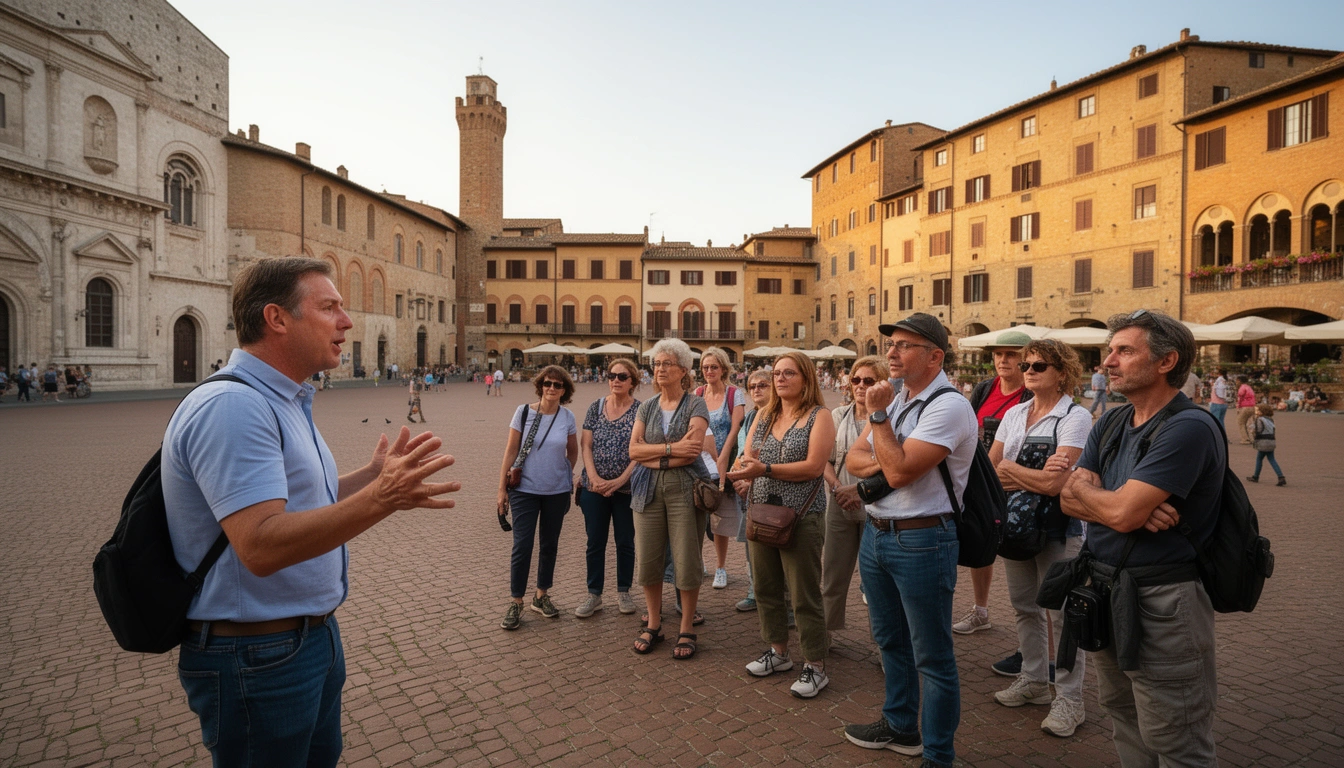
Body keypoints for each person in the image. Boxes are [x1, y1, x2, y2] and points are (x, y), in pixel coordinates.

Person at [164, 257, 460, 766]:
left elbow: (295, 502)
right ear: (277, 319)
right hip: (257, 656)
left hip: (303, 642)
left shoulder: (280, 399)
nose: (346, 321)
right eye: (330, 307)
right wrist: (381, 497)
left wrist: (368, 477)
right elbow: (259, 543)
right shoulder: (235, 407)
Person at [1057, 309, 1223, 767]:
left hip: (1164, 600)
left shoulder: (1188, 427)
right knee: (1123, 715)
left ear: (1166, 361)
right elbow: (1066, 498)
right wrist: (1117, 504)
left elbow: (1116, 510)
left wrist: (1116, 505)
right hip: (1105, 589)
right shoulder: (1112, 422)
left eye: (1124, 351)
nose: (1108, 361)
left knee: (1176, 736)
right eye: (1110, 351)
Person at [842, 313, 977, 767]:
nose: (892, 353)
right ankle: (900, 724)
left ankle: (938, 756)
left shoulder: (949, 406)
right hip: (877, 535)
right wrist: (888, 447)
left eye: (904, 345)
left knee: (933, 657)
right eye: (891, 344)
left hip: (923, 540)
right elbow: (853, 459)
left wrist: (878, 419)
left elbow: (898, 471)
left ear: (935, 356)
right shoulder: (899, 399)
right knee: (890, 641)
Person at [988, 339, 1092, 737]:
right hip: (1016, 526)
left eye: (1038, 366)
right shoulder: (1015, 414)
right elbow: (990, 470)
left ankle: (1070, 698)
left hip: (1057, 528)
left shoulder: (1075, 417)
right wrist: (1029, 475)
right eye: (1026, 364)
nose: (1028, 370)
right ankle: (1034, 680)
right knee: (1023, 606)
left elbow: (1056, 484)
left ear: (1061, 372)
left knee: (1064, 614)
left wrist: (1016, 473)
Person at [728, 351, 835, 698]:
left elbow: (814, 467)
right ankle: (779, 652)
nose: (780, 378)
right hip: (762, 511)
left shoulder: (820, 416)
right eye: (777, 373)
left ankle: (815, 665)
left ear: (806, 377)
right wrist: (745, 473)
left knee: (804, 594)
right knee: (766, 589)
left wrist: (764, 470)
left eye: (789, 373)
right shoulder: (763, 413)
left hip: (801, 517)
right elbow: (749, 456)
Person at [628, 339, 711, 659]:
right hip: (646, 488)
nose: (659, 370)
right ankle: (653, 622)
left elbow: (694, 451)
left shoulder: (695, 404)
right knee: (648, 557)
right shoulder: (646, 407)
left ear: (683, 370)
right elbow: (633, 451)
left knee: (686, 558)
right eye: (656, 364)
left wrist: (654, 454)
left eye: (666, 365)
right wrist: (669, 450)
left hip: (684, 489)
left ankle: (687, 627)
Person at [957, 330, 1033, 637]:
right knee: (980, 540)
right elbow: (967, 425)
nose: (1003, 359)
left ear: (1026, 360)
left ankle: (1031, 637)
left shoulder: (1030, 393)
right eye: (999, 354)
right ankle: (981, 610)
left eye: (1012, 354)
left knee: (1020, 557)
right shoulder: (985, 388)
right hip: (979, 477)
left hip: (1013, 480)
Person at [496, 366, 579, 630]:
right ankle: (516, 600)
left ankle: (541, 596)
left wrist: (563, 475)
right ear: (540, 385)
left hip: (555, 491)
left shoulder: (567, 417)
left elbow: (572, 452)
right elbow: (510, 452)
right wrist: (501, 490)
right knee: (522, 546)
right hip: (523, 491)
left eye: (557, 385)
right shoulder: (523, 413)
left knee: (549, 545)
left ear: (564, 390)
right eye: (547, 383)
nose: (551, 388)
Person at [822, 354, 890, 630]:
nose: (860, 385)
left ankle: (883, 647)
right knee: (832, 576)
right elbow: (825, 460)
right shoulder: (839, 415)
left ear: (883, 384)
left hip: (879, 507)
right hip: (840, 504)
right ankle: (824, 638)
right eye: (855, 380)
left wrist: (860, 491)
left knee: (877, 584)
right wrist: (839, 489)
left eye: (868, 380)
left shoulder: (890, 419)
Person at [575, 358, 642, 618]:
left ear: (632, 382)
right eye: (612, 375)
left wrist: (620, 480)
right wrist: (593, 478)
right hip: (595, 489)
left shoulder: (640, 410)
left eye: (622, 376)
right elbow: (586, 445)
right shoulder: (595, 406)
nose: (616, 380)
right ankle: (594, 594)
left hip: (626, 489)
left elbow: (639, 450)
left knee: (625, 541)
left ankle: (624, 591)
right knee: (595, 542)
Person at [696, 347, 745, 590]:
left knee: (719, 521)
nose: (709, 371)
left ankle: (721, 567)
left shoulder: (734, 394)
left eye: (714, 367)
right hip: (700, 465)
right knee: (696, 516)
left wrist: (722, 457)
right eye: (705, 367)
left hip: (724, 464)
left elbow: (735, 428)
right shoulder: (697, 394)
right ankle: (700, 562)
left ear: (723, 369)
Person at [732, 369, 773, 612]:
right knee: (751, 541)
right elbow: (741, 450)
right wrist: (738, 476)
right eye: (753, 386)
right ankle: (754, 590)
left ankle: (779, 599)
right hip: (747, 491)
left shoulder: (779, 416)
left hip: (769, 488)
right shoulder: (749, 418)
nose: (756, 389)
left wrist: (751, 479)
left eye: (763, 385)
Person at [1246, 403, 1286, 486]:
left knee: (1259, 459)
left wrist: (1252, 428)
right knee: (1271, 459)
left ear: (1262, 411)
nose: (1256, 411)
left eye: (1257, 410)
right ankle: (1280, 476)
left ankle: (1256, 476)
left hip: (1263, 442)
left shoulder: (1259, 419)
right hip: (1271, 441)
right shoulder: (1270, 419)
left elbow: (1258, 430)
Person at [1235, 375, 1258, 444]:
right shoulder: (1249, 387)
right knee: (1251, 423)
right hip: (1252, 406)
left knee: (1241, 422)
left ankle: (1245, 439)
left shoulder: (1242, 388)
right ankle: (1255, 437)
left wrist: (1238, 408)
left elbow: (1240, 398)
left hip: (1245, 407)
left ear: (1239, 381)